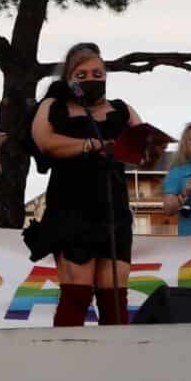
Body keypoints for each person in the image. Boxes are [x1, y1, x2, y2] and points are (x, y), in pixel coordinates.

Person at [23, 42, 145, 326]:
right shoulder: (54, 106)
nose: (92, 78)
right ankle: (67, 362)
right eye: (83, 73)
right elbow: (46, 142)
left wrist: (149, 150)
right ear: (69, 77)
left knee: (115, 298)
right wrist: (89, 145)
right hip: (72, 208)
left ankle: (115, 363)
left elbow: (141, 149)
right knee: (77, 295)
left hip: (114, 209)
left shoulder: (121, 110)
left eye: (98, 72)